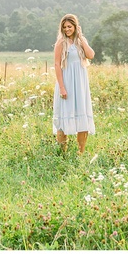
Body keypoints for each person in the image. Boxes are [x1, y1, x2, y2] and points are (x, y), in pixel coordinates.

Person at [52, 14, 95, 154]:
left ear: (75, 27)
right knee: (64, 117)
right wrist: (62, 87)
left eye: (70, 27)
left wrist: (81, 39)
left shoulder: (80, 41)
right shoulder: (61, 43)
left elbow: (91, 55)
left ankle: (80, 152)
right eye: (64, 27)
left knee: (82, 116)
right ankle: (61, 153)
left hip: (81, 83)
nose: (67, 29)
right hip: (67, 82)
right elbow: (57, 65)